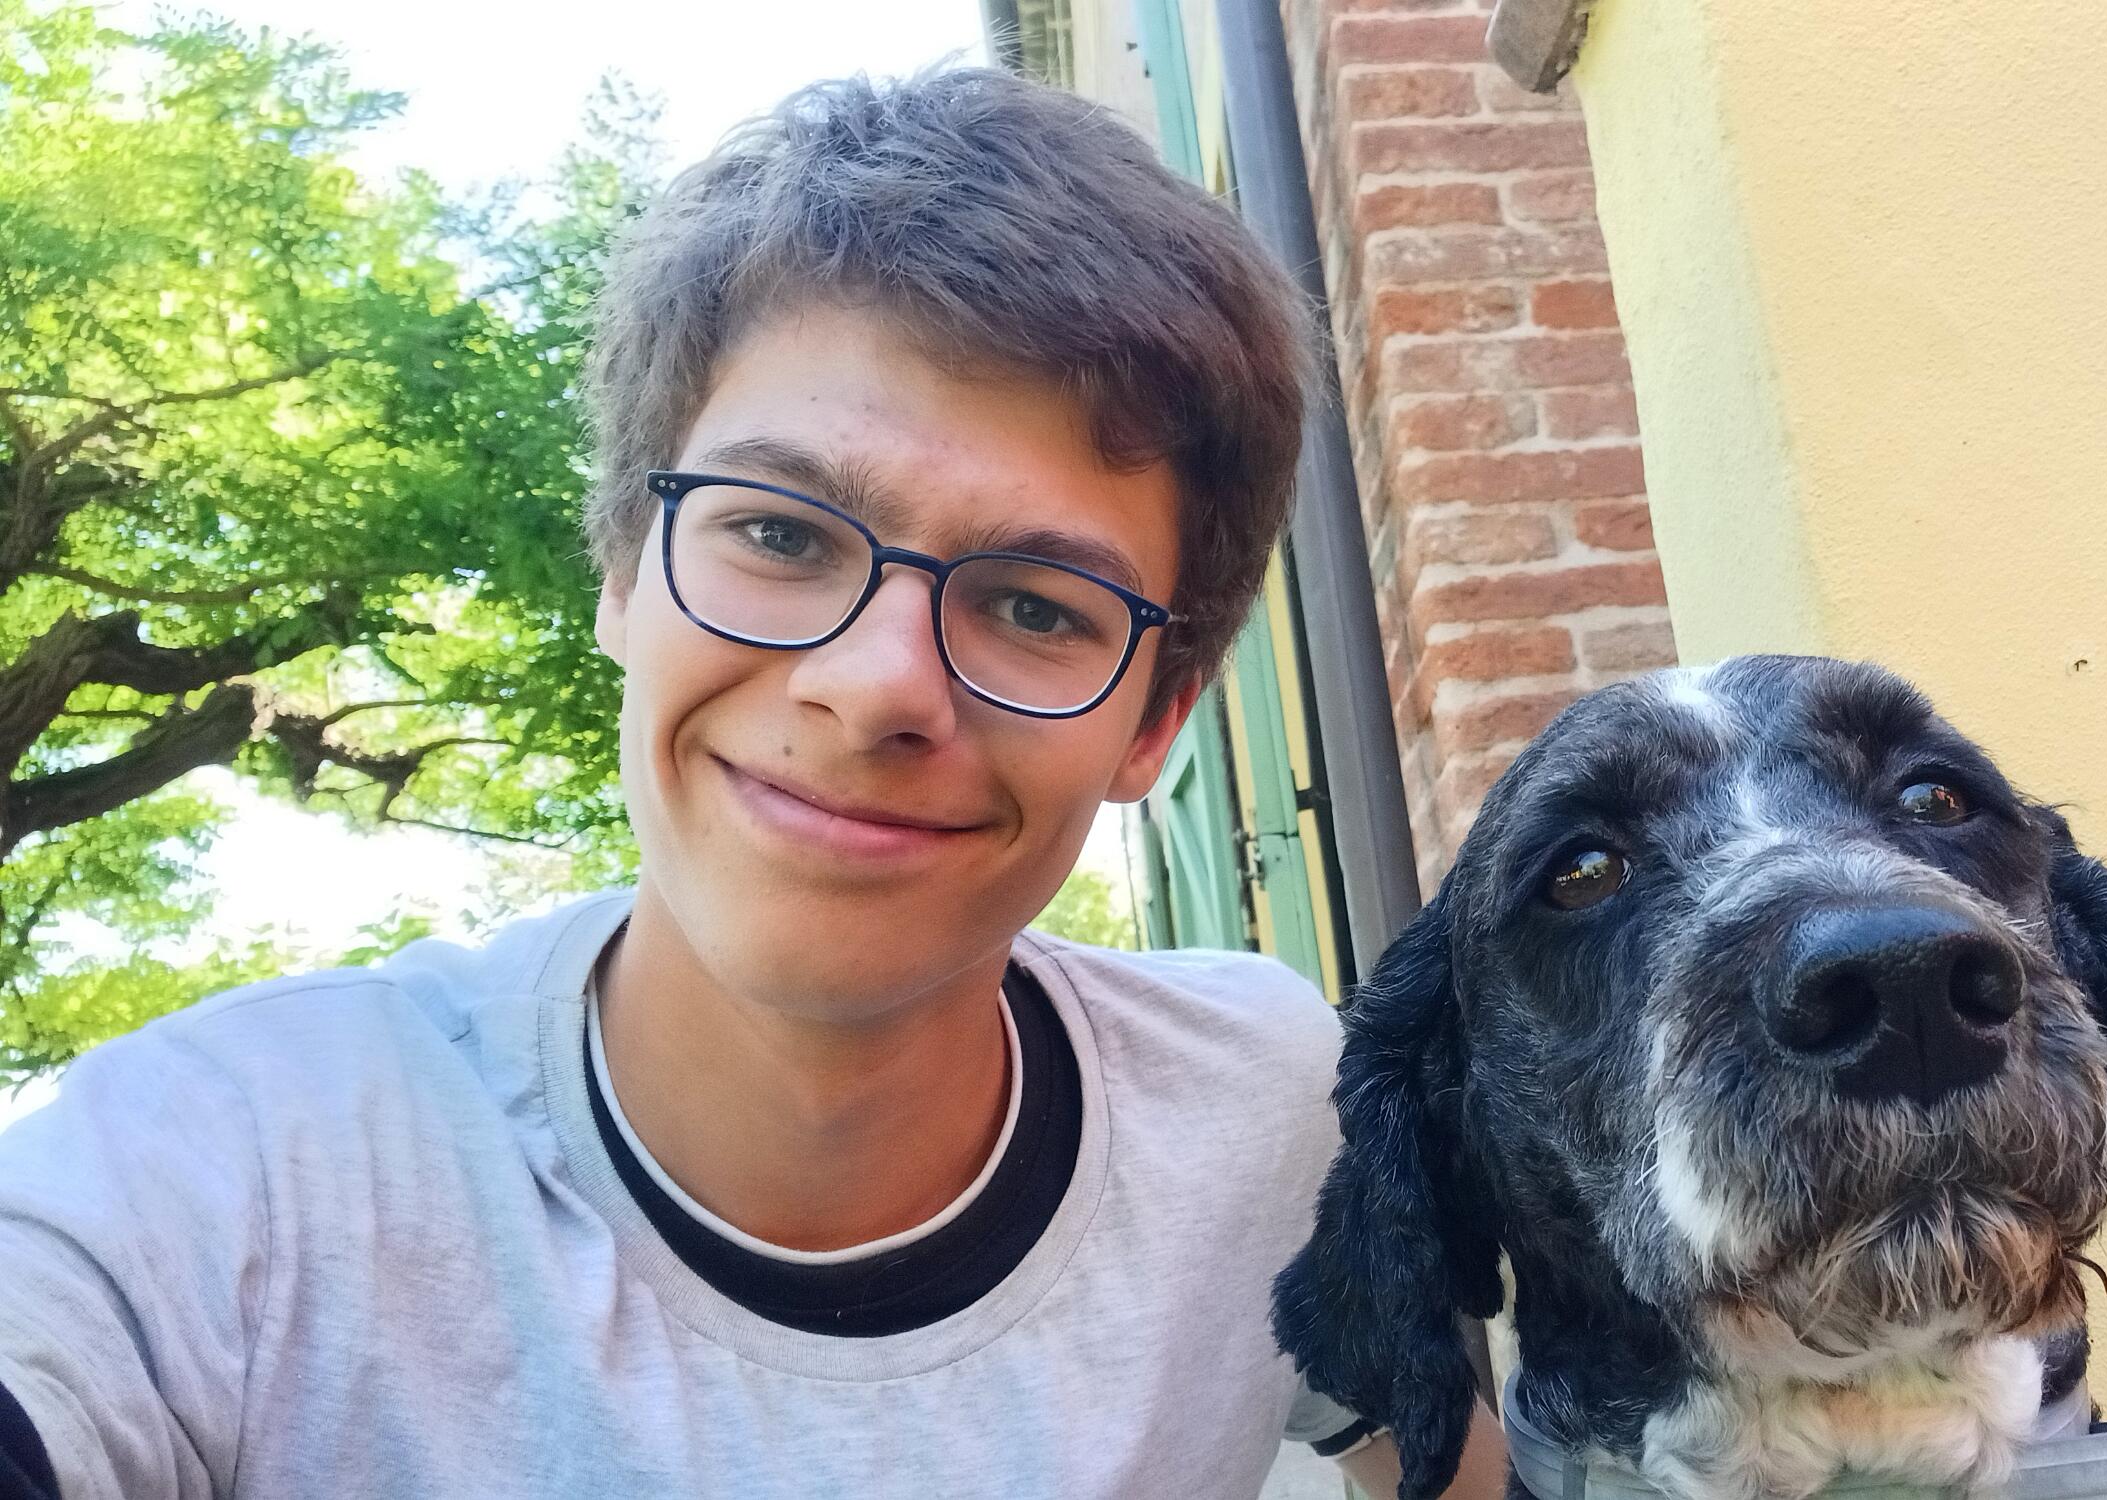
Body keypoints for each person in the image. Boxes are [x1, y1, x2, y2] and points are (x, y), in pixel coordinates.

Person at [0, 69, 1504, 1500]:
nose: (879, 683)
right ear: (621, 573)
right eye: (780, 535)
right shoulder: (214, 1179)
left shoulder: (1261, 1111)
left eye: (1036, 606)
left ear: (1153, 722)